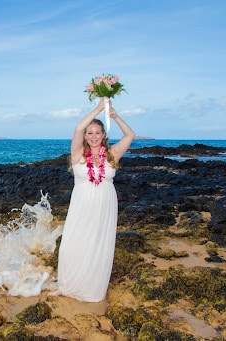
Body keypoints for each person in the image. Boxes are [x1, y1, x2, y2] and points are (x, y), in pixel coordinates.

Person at [48, 99, 135, 302]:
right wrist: (98, 108)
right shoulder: (77, 154)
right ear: (85, 137)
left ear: (104, 135)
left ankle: (92, 288)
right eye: (90, 133)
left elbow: (130, 135)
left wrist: (114, 116)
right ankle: (65, 285)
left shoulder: (112, 154)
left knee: (98, 246)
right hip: (81, 205)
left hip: (105, 206)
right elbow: (78, 128)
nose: (93, 136)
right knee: (71, 244)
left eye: (97, 132)